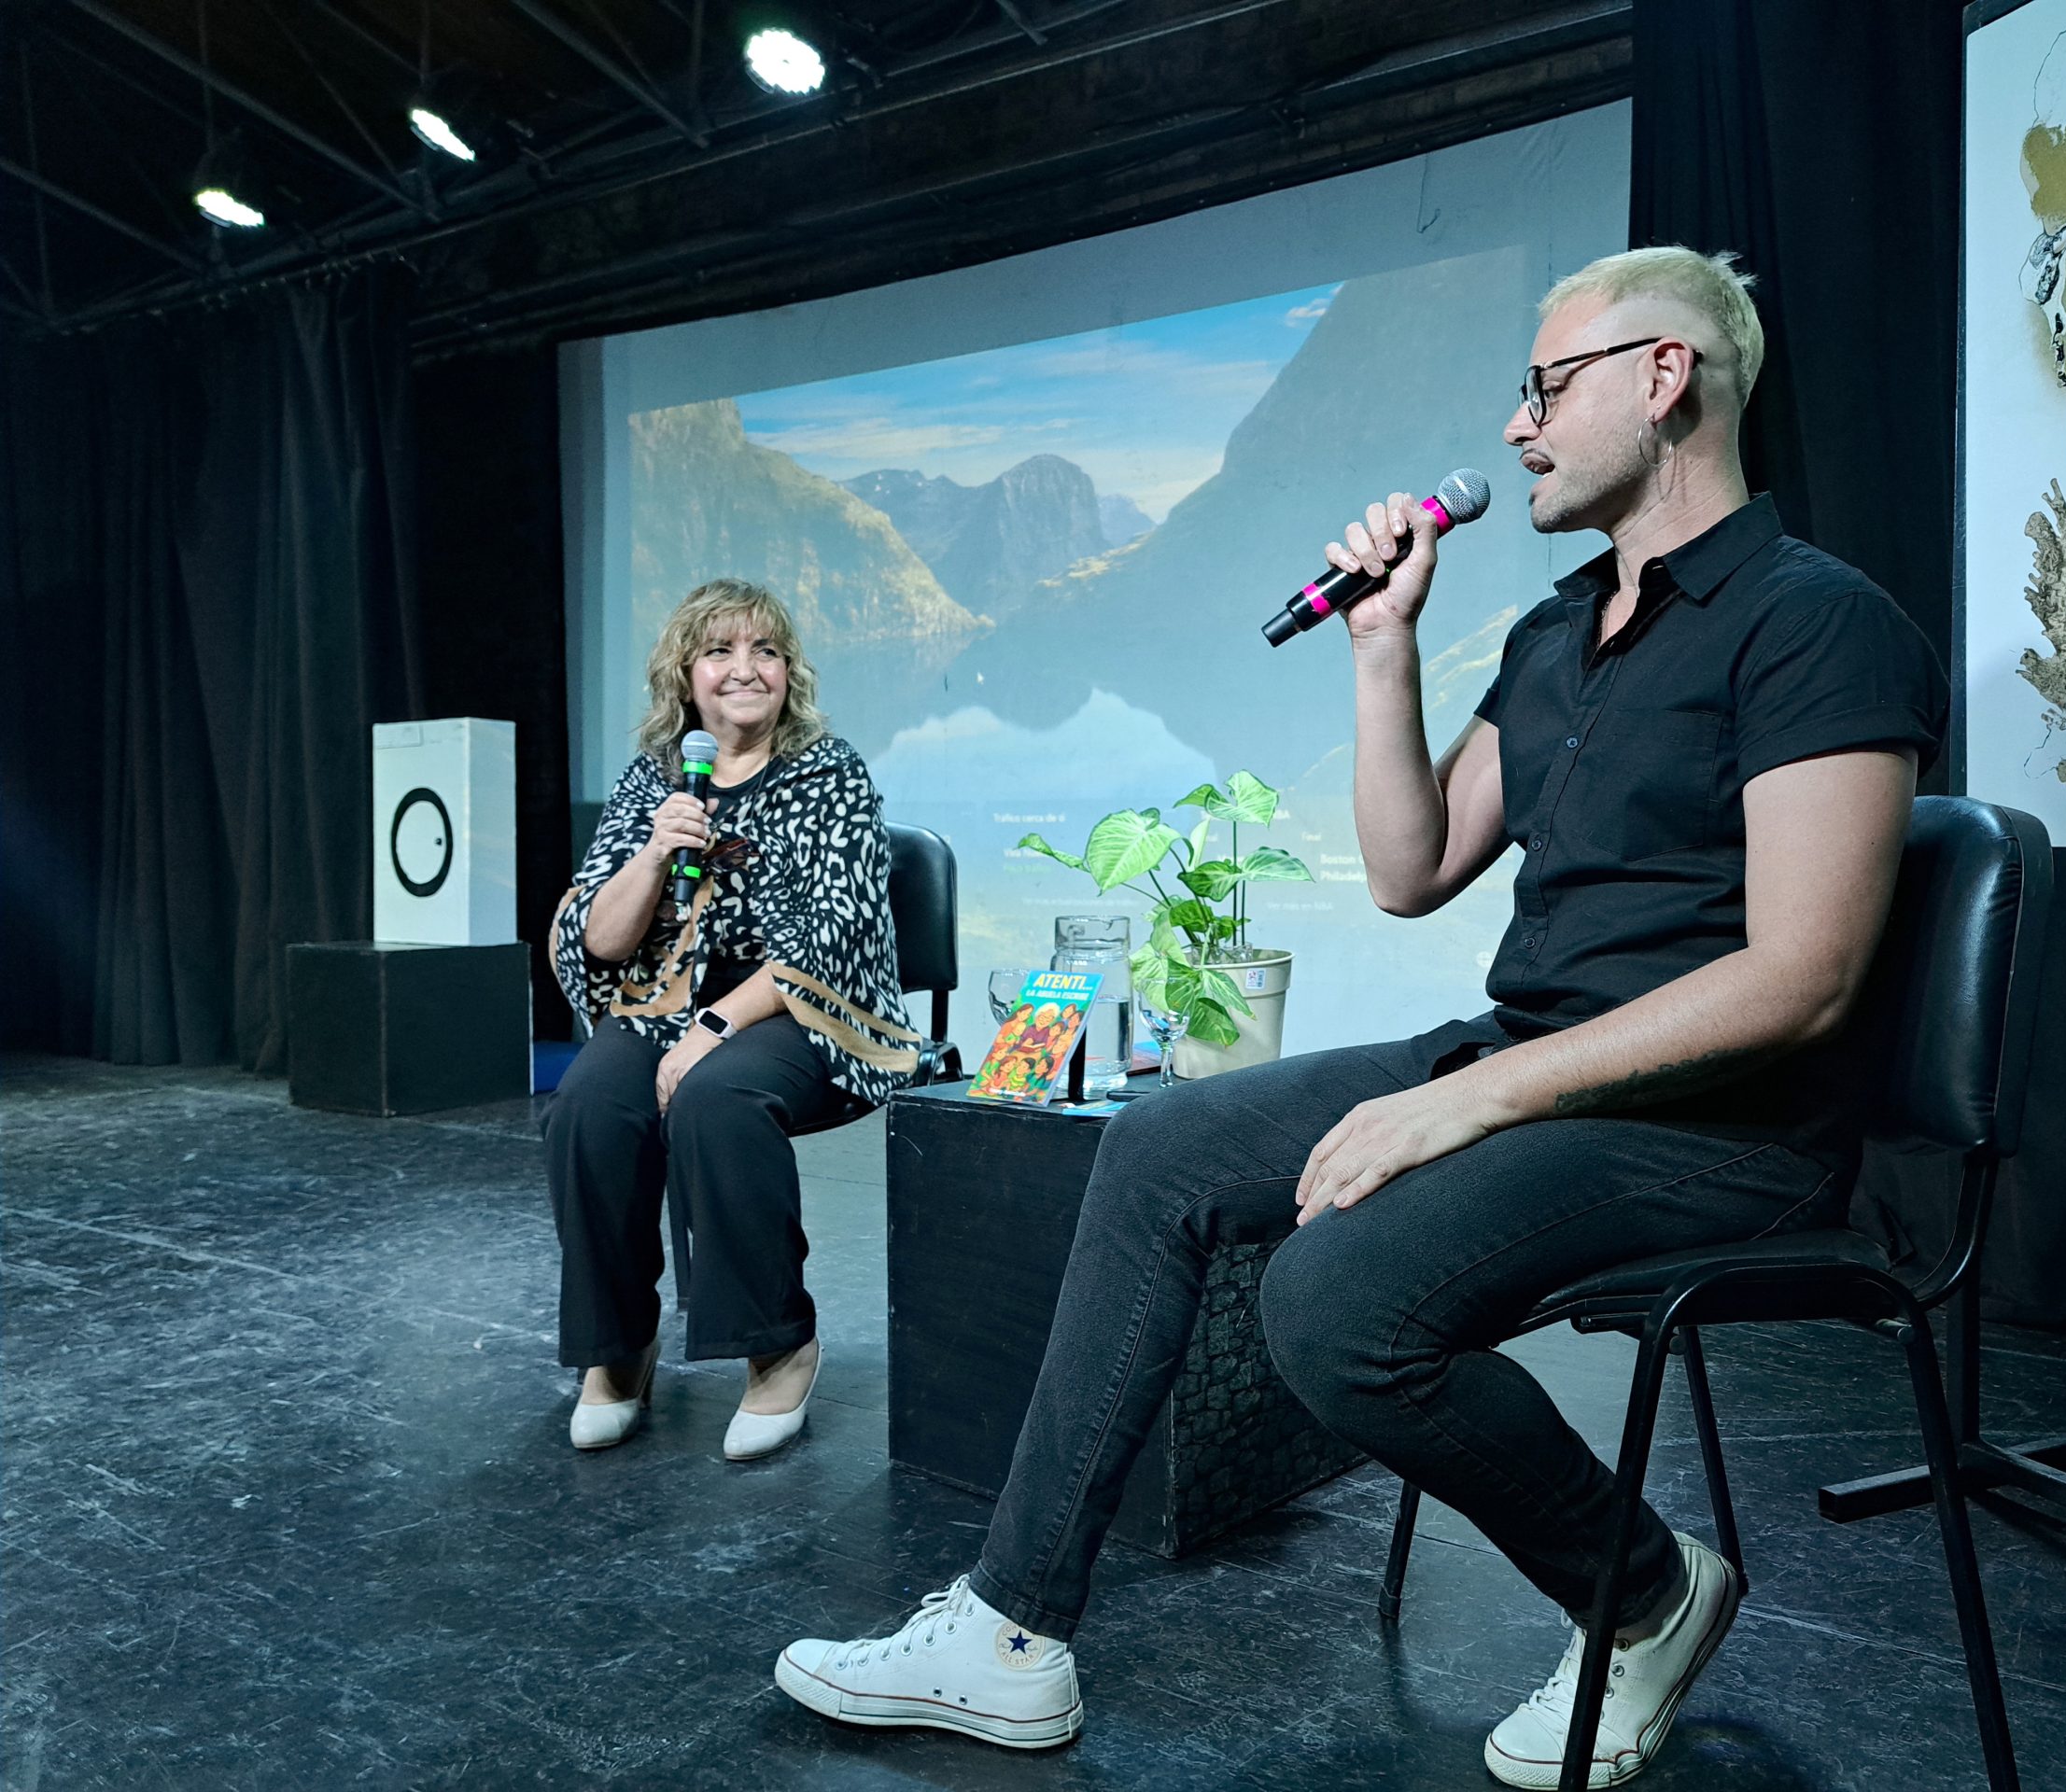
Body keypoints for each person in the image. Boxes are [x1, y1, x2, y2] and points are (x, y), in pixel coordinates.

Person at [776, 247, 1947, 1786]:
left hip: (1726, 1129)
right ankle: (1010, 1633)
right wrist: (1382, 644)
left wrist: (1468, 1101)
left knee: (1332, 1307)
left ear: (1665, 378)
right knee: (1161, 1148)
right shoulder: (1556, 637)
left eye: (1547, 388)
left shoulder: (1818, 623)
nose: (1518, 426)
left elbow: (1804, 977)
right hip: (1535, 1063)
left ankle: (1645, 1595)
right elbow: (1411, 870)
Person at [544, 578, 920, 1460]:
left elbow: (833, 934)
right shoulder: (654, 779)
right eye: (720, 651)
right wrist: (654, 851)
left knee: (716, 1097)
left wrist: (712, 1031)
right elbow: (601, 939)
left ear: (790, 672)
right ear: (685, 676)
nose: (746, 669)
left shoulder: (828, 770)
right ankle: (617, 1346)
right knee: (588, 1107)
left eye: (767, 651)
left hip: (805, 1003)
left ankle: (778, 1345)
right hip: (665, 994)